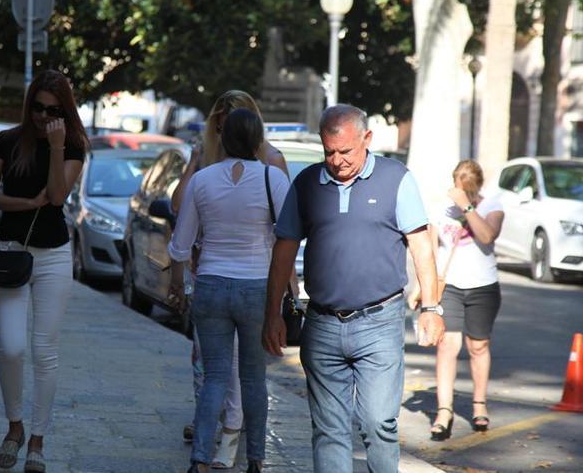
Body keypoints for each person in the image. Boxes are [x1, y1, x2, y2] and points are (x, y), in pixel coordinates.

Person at [262, 104, 445, 473]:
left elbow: (422, 245)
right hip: (323, 324)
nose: (336, 161)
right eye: (328, 151)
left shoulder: (397, 179)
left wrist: (431, 308)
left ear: (367, 139)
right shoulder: (308, 184)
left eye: (345, 151)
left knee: (379, 424)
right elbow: (283, 252)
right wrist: (273, 315)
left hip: (380, 322)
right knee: (329, 430)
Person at [170, 90, 293, 469]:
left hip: (210, 286)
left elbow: (181, 242)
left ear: (222, 137)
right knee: (254, 379)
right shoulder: (273, 178)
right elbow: (287, 238)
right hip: (256, 289)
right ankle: (255, 459)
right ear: (257, 141)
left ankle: (201, 459)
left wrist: (178, 283)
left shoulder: (203, 180)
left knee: (215, 379)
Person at [0, 70, 86, 473]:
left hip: (55, 256)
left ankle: (38, 438)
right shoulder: (7, 141)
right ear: (29, 105)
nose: (43, 116)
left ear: (65, 110)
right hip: (11, 253)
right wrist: (25, 204)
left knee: (44, 351)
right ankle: (15, 426)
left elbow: (57, 197)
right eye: (38, 107)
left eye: (53, 110)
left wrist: (57, 148)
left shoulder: (73, 145)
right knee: (11, 347)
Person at [416, 160, 504, 441]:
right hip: (450, 286)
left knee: (478, 346)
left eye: (466, 186)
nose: (459, 190)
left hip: (483, 286)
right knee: (447, 346)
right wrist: (422, 287)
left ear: (476, 187)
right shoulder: (440, 209)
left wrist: (467, 206)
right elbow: (428, 248)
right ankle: (444, 411)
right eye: (457, 184)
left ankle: (480, 405)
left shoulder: (492, 205)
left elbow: (488, 236)